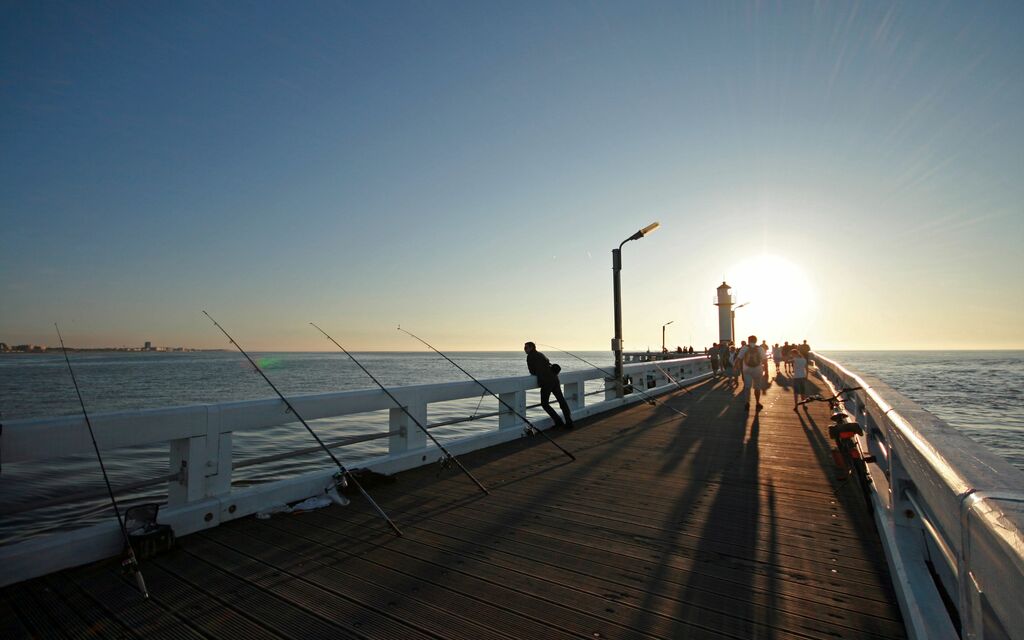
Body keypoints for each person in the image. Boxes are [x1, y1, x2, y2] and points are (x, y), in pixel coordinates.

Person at [524, 341, 573, 428]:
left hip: (546, 382)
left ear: (531, 347)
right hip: (554, 379)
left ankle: (558, 422)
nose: (524, 350)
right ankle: (569, 423)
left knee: (544, 403)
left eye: (526, 348)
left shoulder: (530, 356)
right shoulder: (540, 354)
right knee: (561, 401)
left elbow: (532, 371)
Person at [736, 334, 765, 411]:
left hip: (747, 370)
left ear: (748, 341)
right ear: (756, 341)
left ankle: (747, 403)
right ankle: (757, 403)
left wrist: (736, 367)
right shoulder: (760, 348)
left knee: (747, 387)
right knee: (757, 387)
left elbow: (738, 359)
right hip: (758, 369)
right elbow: (765, 360)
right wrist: (766, 370)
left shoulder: (744, 348)